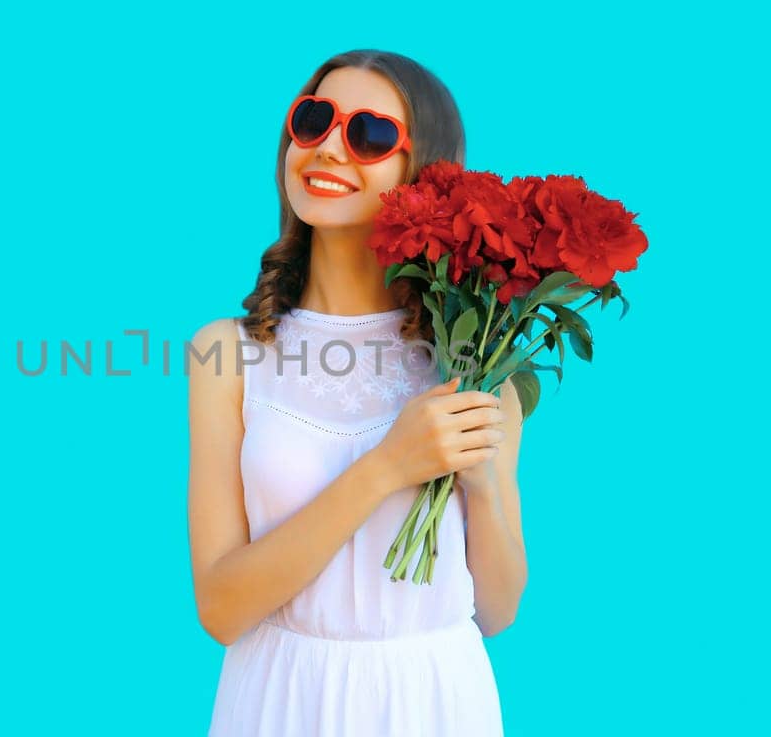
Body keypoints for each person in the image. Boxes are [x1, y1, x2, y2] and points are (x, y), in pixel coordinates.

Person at [187, 49, 530, 736]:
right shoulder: (225, 352)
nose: (327, 150)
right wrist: (386, 468)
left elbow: (496, 610)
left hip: (433, 702)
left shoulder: (473, 354)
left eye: (368, 135)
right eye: (313, 121)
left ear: (424, 171)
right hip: (280, 700)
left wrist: (485, 488)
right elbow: (221, 609)